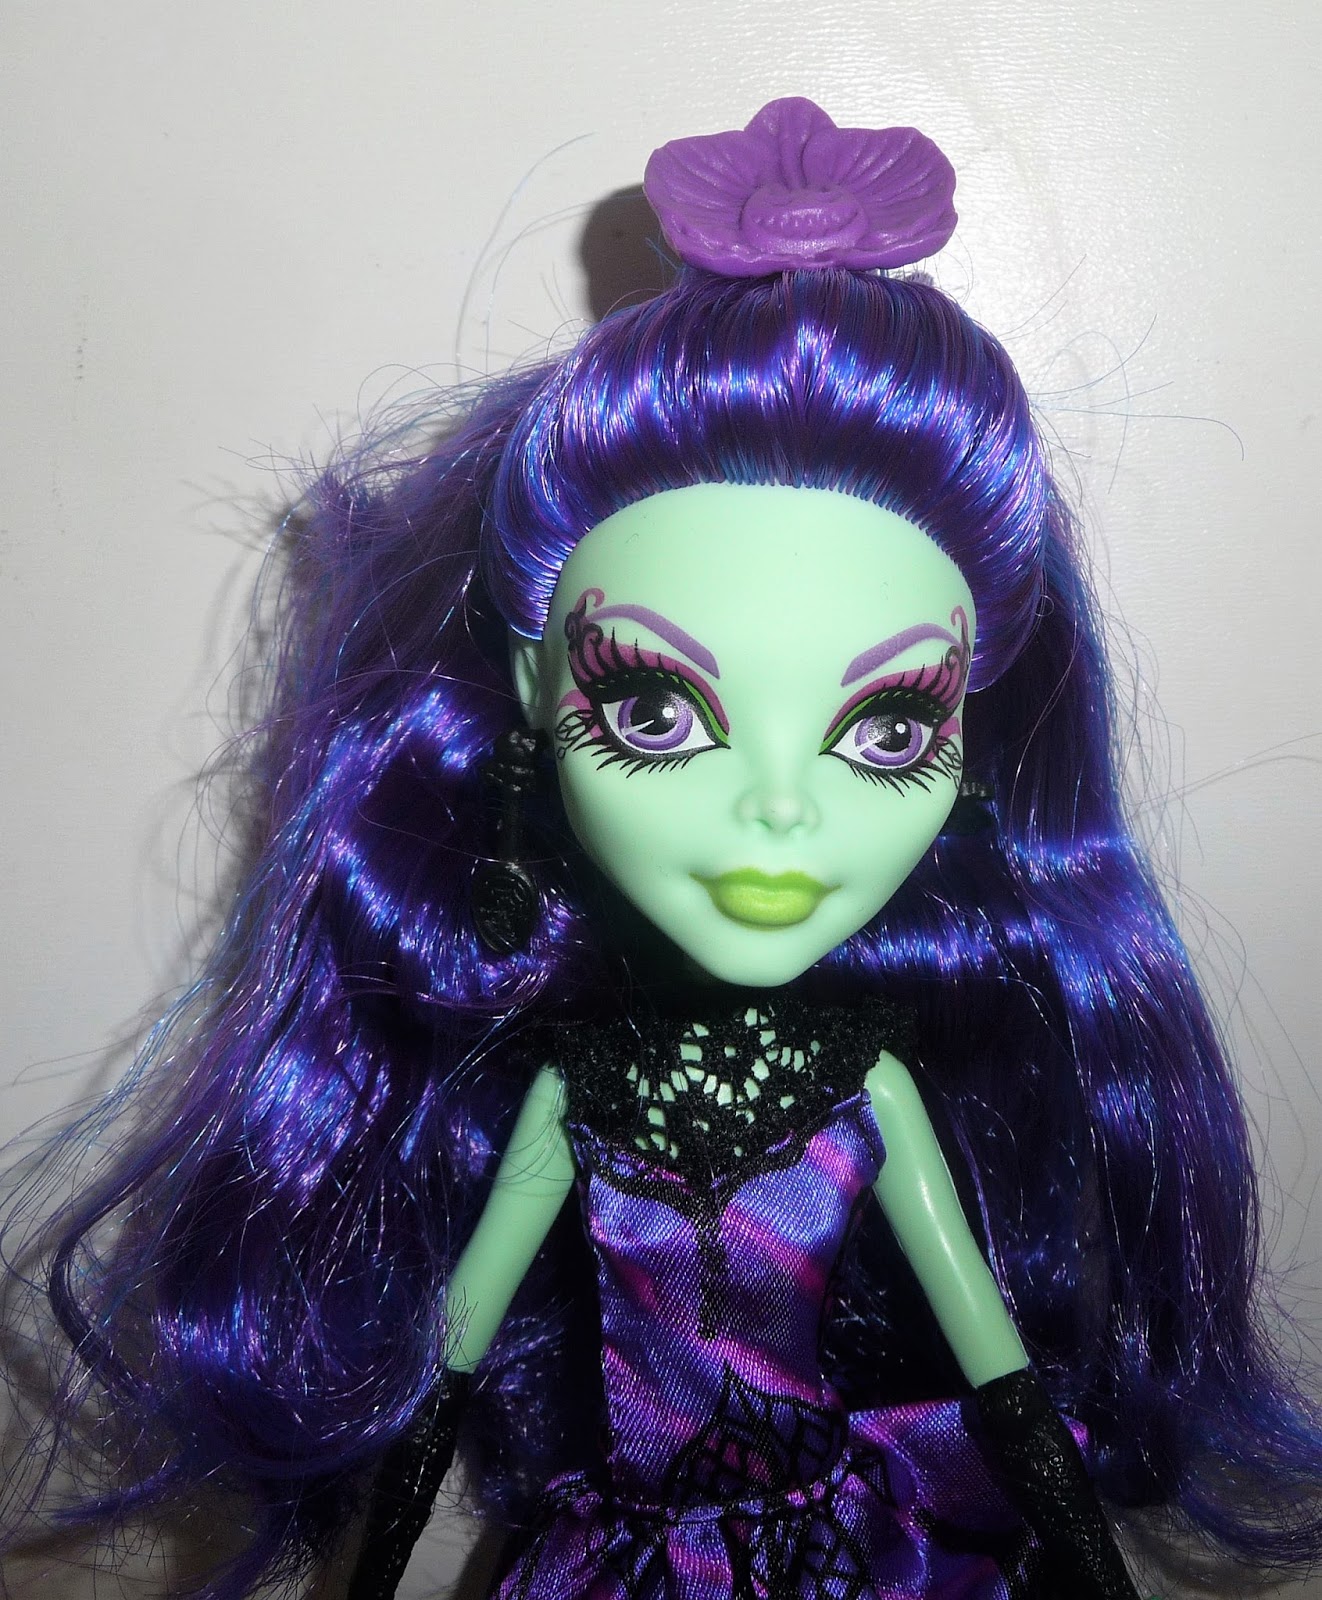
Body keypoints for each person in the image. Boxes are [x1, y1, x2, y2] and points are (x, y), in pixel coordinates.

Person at [8, 98, 1320, 1599]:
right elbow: (446, 1367)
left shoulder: (866, 1089)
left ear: (973, 732)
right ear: (534, 694)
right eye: (654, 711)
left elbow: (999, 1377)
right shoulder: (575, 1095)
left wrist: (1089, 1565)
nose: (778, 815)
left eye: (889, 728)